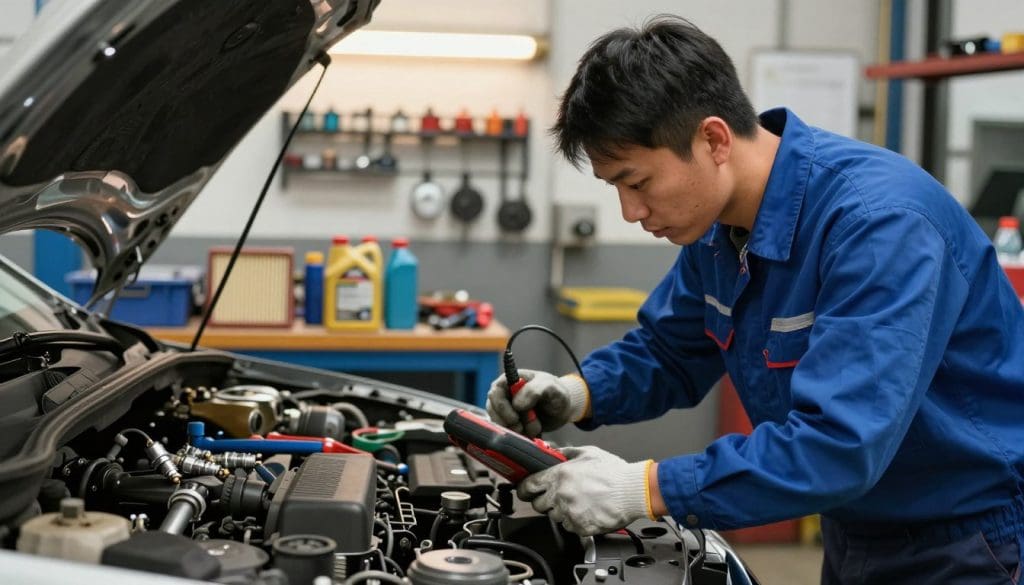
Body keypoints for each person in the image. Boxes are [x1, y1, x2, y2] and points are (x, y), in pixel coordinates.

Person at [485, 14, 1024, 585]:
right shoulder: (719, 229)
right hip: (859, 529)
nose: (630, 212)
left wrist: (645, 488)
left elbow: (839, 445)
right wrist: (577, 393)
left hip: (969, 542)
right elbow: (671, 349)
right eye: (615, 187)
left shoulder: (879, 226)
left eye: (637, 182)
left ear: (713, 139)